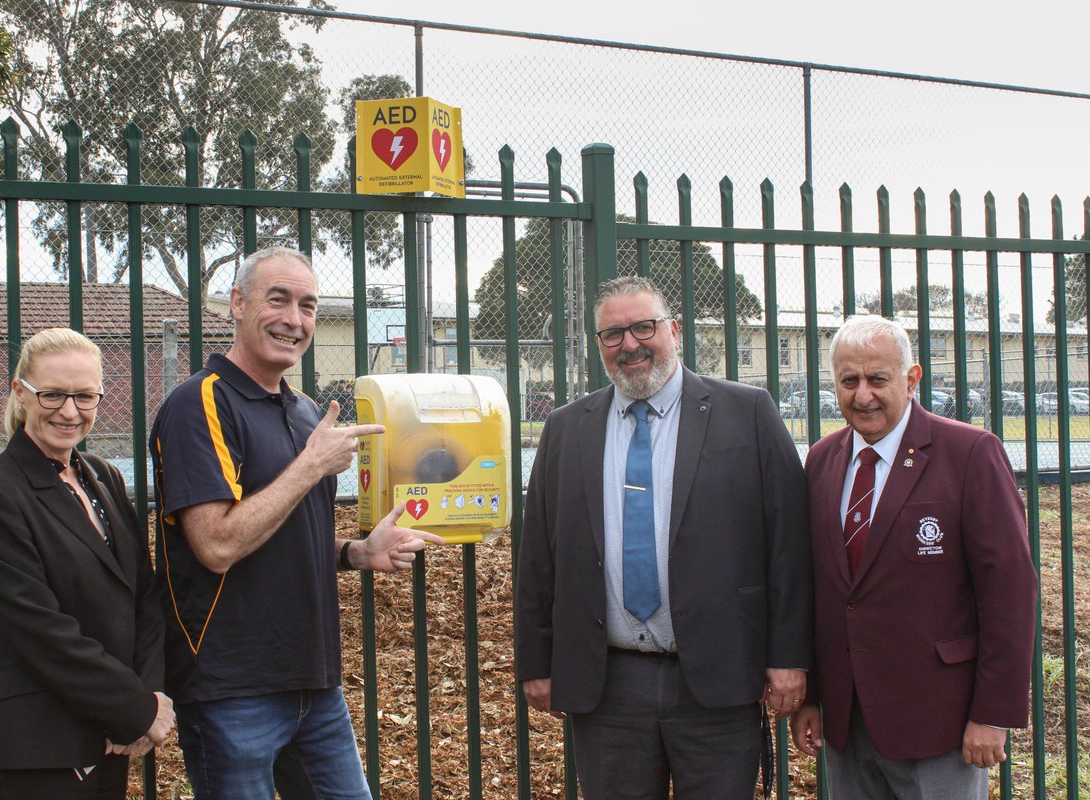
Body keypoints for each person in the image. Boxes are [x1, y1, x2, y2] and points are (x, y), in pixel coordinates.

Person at [149, 246, 443, 799]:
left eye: (307, 306)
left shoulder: (306, 409)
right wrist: (309, 466)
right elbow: (215, 544)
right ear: (237, 303)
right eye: (277, 300)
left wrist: (357, 552)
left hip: (314, 683)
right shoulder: (198, 404)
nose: (295, 320)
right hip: (232, 689)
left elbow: (280, 531)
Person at [514, 275, 813, 799]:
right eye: (613, 334)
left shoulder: (747, 412)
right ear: (600, 345)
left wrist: (788, 656)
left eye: (644, 327)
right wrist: (537, 663)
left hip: (718, 677)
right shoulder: (566, 429)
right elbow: (537, 556)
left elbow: (789, 545)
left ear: (673, 330)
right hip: (609, 687)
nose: (630, 344)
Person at [790, 315, 1037, 799]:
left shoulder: (970, 454)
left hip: (939, 722)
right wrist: (814, 694)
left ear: (912, 377)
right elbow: (820, 588)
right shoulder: (821, 459)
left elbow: (1009, 592)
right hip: (847, 722)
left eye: (878, 379)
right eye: (849, 381)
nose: (863, 395)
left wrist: (993, 714)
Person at [0, 328, 173, 799]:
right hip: (38, 747)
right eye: (52, 394)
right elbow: (37, 627)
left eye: (84, 396)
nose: (70, 411)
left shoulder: (104, 476)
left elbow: (144, 593)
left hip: (110, 739)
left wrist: (149, 696)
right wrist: (132, 709)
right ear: (21, 393)